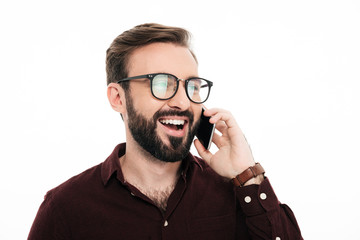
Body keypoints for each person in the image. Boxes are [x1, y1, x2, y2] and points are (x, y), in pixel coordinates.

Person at [28, 23, 303, 240]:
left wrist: (247, 176)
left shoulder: (238, 193)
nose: (182, 101)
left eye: (192, 86)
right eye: (161, 84)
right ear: (117, 98)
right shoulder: (66, 208)